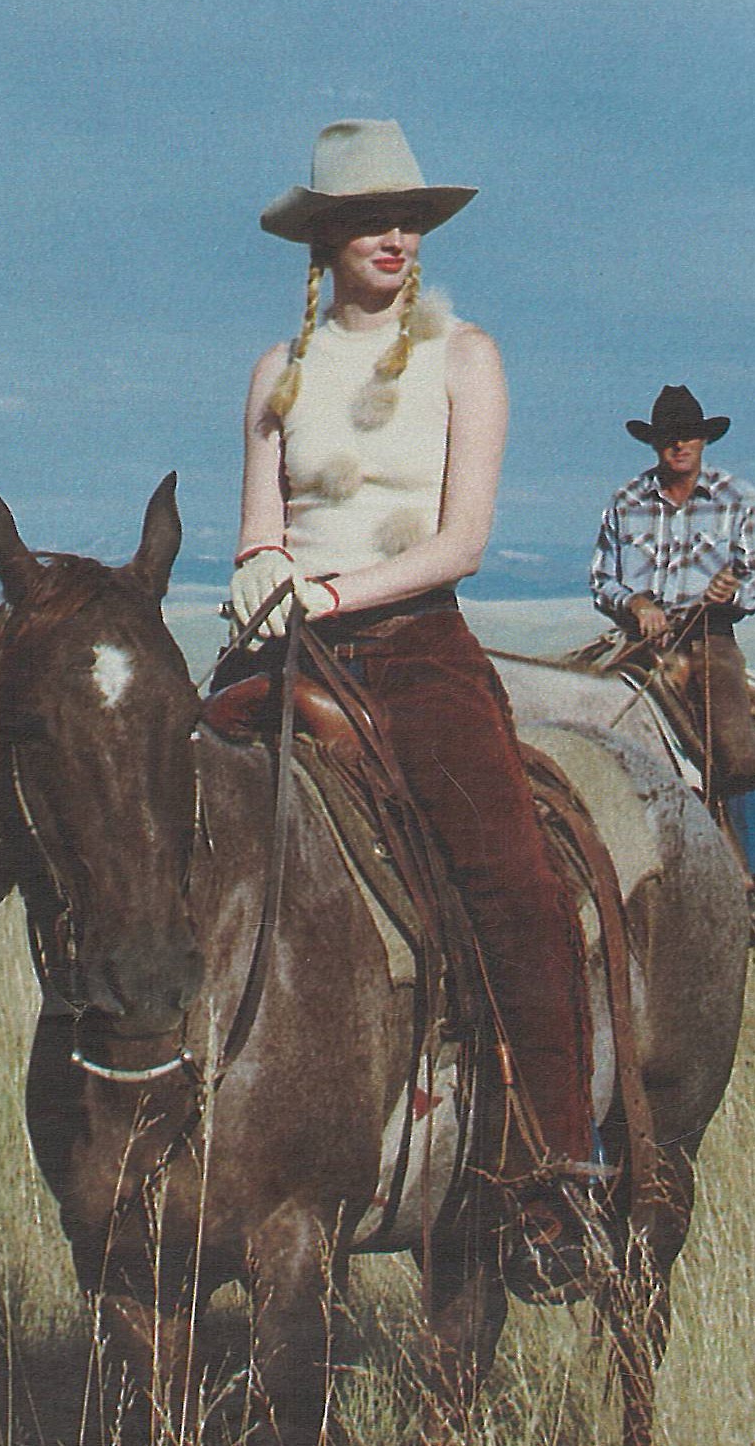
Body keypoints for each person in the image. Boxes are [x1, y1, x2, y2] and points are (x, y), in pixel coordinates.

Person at [228, 118, 607, 1297]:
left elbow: (462, 541)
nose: (393, 237)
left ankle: (554, 1177)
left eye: (407, 219)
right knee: (157, 816)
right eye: (368, 221)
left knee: (517, 882)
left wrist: (335, 591)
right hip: (284, 644)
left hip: (413, 649)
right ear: (325, 239)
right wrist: (258, 571)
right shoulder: (276, 372)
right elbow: (258, 526)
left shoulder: (463, 356)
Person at [590, 385, 755, 899]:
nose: (679, 445)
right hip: (637, 642)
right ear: (655, 443)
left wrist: (732, 593)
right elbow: (602, 579)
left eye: (688, 435)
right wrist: (635, 604)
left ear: (703, 440)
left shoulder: (737, 498)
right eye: (669, 437)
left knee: (735, 744)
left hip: (707, 638)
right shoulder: (626, 500)